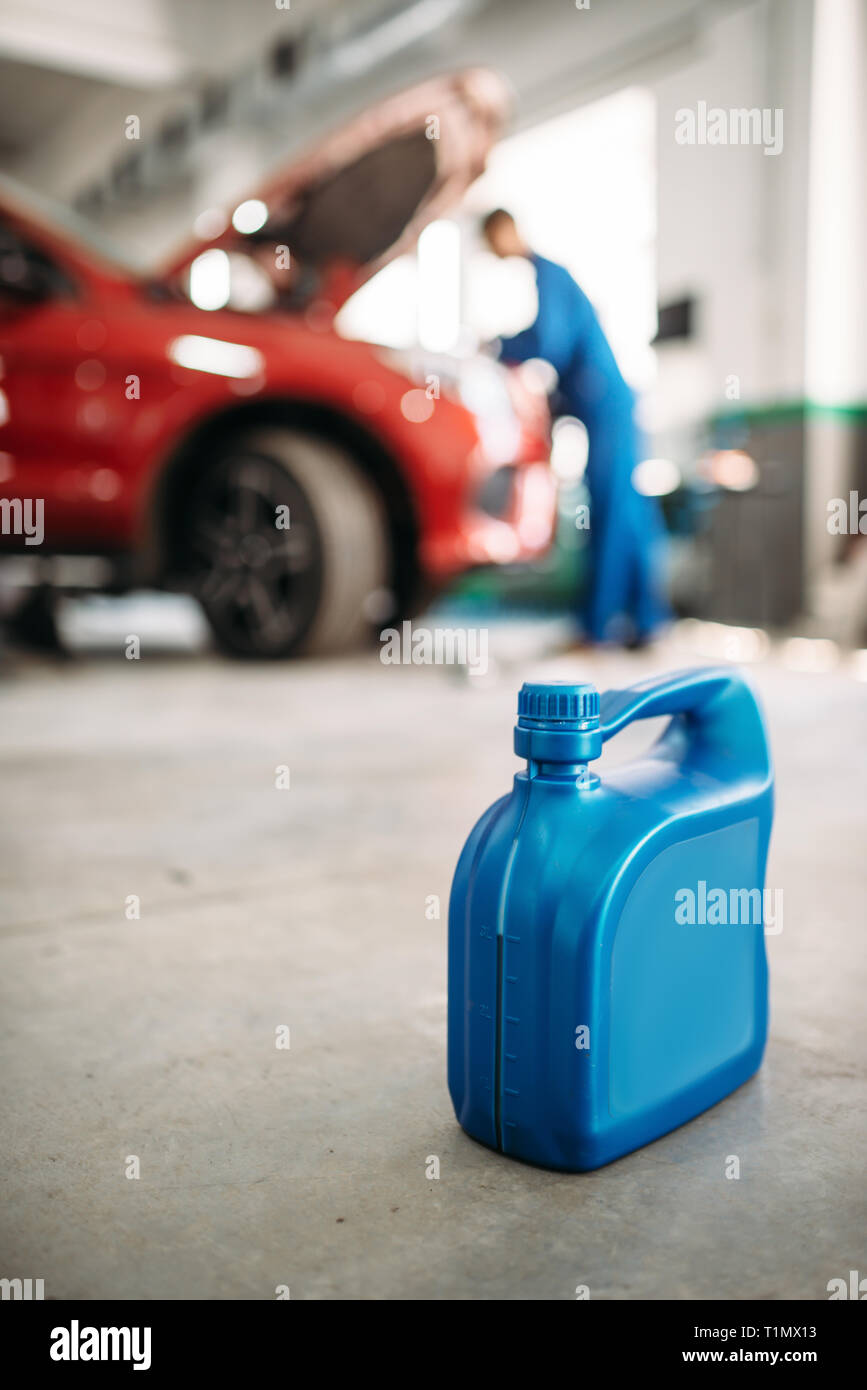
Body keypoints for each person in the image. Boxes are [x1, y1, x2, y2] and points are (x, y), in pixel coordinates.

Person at [481, 208, 670, 647]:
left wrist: (499, 346)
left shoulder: (547, 273)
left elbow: (550, 342)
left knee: (608, 510)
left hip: (606, 406)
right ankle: (647, 622)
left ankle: (596, 627)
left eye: (492, 241)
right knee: (631, 513)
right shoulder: (549, 275)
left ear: (505, 231)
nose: (493, 252)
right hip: (609, 405)